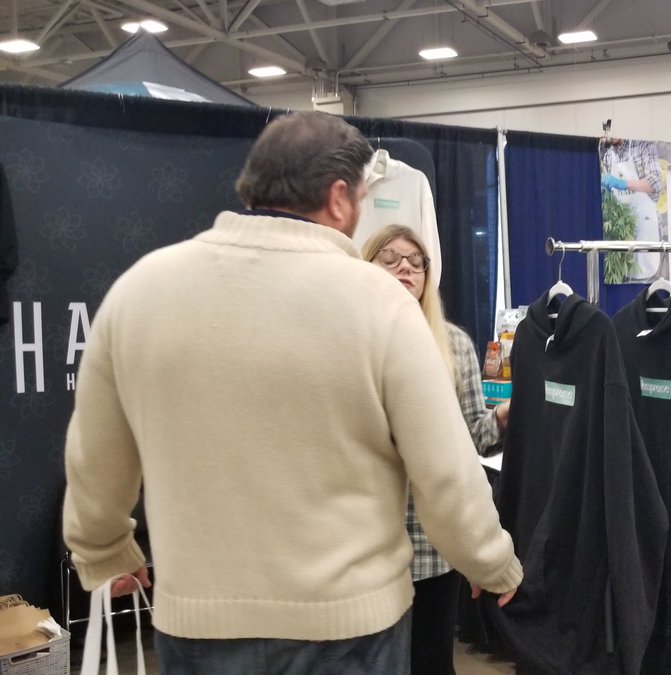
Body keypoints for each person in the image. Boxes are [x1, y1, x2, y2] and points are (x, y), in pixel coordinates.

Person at [61, 111, 521, 674]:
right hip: (349, 629)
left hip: (198, 623)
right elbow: (446, 474)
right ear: (337, 199)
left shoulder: (140, 289)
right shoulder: (379, 304)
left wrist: (104, 551)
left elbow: (95, 456)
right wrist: (493, 563)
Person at [362, 224, 508, 674]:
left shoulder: (455, 345)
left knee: (431, 663)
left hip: (431, 544)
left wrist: (502, 418)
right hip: (365, 543)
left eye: (416, 260)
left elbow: (470, 443)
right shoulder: (349, 339)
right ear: (365, 267)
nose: (405, 267)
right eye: (390, 258)